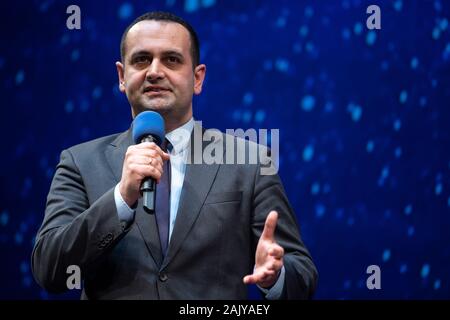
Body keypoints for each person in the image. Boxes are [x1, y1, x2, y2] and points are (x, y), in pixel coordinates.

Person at [31, 11, 318, 300]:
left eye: (171, 59)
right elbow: (50, 269)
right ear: (122, 76)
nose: (155, 71)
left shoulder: (250, 162)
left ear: (197, 78)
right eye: (142, 59)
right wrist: (120, 198)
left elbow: (302, 277)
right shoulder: (80, 162)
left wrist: (276, 276)